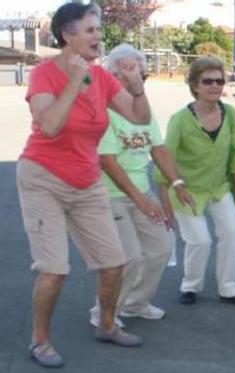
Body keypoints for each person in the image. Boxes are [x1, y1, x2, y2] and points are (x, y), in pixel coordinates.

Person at [17, 3, 149, 367]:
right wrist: (75, 80)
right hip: (42, 177)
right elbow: (50, 126)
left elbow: (140, 118)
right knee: (55, 269)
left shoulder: (103, 78)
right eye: (90, 30)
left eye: (98, 29)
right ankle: (40, 341)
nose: (98, 37)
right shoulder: (45, 74)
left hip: (86, 180)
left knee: (113, 262)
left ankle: (107, 325)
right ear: (67, 35)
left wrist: (138, 87)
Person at [87, 44, 196, 326]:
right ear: (111, 79)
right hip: (110, 195)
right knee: (128, 256)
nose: (136, 85)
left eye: (141, 78)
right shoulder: (103, 113)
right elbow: (108, 162)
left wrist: (178, 183)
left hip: (140, 193)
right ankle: (103, 313)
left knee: (160, 247)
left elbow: (158, 149)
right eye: (128, 78)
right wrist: (142, 200)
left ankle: (135, 304)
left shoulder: (142, 111)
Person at [161, 56, 235, 306]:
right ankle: (190, 286)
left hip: (217, 187)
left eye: (219, 80)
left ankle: (229, 287)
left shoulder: (230, 113)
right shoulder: (180, 119)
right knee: (200, 240)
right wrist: (168, 198)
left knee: (233, 230)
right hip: (186, 189)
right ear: (195, 86)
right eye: (208, 81)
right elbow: (164, 158)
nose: (215, 85)